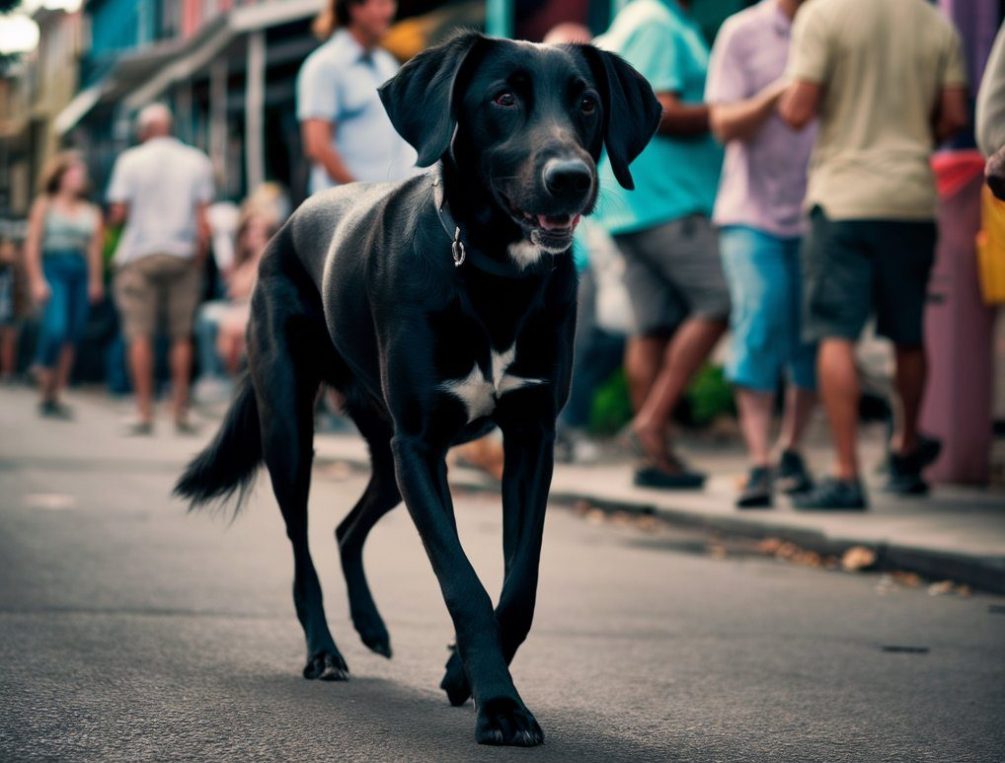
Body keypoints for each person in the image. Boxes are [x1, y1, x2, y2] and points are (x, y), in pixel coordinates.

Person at [779, 0, 969, 508]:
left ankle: (846, 473)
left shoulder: (823, 14)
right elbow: (954, 116)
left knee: (835, 333)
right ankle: (906, 448)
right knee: (908, 331)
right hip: (911, 196)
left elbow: (796, 110)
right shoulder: (935, 22)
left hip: (844, 197)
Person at [595, 0, 730, 489]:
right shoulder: (654, 22)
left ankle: (656, 458)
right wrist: (729, 111)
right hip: (666, 200)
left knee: (652, 325)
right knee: (720, 300)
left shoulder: (638, 19)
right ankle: (651, 422)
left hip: (633, 205)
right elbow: (661, 109)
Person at [705, 0, 816, 508]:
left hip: (820, 208)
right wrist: (780, 90)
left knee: (812, 337)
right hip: (750, 213)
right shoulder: (742, 32)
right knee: (762, 322)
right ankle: (758, 461)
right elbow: (723, 124)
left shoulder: (833, 24)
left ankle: (791, 449)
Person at [107, 103, 213, 435]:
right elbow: (203, 220)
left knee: (140, 334)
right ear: (169, 126)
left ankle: (144, 411)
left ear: (143, 130)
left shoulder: (130, 161)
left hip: (141, 254)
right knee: (181, 335)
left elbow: (120, 214)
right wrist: (199, 257)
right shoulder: (196, 160)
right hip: (182, 254)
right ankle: (179, 408)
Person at [297, 0, 415, 195]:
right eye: (381, 4)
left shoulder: (385, 62)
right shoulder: (324, 66)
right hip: (346, 212)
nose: (390, 10)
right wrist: (364, 196)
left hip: (386, 205)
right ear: (354, 8)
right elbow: (317, 147)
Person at [23, 153, 104, 417]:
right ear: (60, 176)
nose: (78, 178)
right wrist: (36, 279)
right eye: (73, 173)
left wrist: (95, 281)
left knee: (73, 333)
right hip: (54, 267)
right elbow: (32, 245)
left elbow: (94, 250)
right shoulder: (44, 205)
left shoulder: (90, 211)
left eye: (80, 174)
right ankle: (41, 369)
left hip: (79, 271)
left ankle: (54, 394)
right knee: (56, 327)